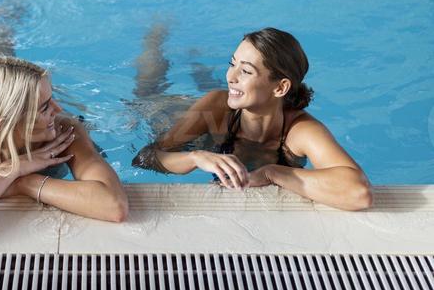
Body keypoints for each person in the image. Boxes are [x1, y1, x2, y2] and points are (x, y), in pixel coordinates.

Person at [132, 27, 372, 212]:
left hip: (234, 112)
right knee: (147, 94)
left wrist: (272, 173)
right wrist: (196, 157)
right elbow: (145, 157)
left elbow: (358, 192)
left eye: (245, 71)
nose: (230, 76)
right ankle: (154, 41)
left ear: (280, 88)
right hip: (181, 118)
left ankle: (198, 67)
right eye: (232, 64)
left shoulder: (299, 130)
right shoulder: (217, 106)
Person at [0, 43, 128, 249]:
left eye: (52, 99)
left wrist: (24, 182)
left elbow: (114, 206)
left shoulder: (65, 129)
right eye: (45, 107)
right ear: (7, 125)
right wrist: (10, 171)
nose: (58, 109)